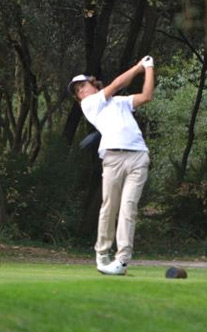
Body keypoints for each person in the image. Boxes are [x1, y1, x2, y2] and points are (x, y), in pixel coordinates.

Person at [67, 56, 155, 275]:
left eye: (83, 86)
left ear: (93, 84)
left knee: (129, 208)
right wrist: (138, 67)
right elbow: (116, 85)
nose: (81, 92)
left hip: (138, 157)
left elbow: (146, 96)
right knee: (110, 206)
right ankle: (102, 253)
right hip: (113, 158)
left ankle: (122, 260)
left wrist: (150, 67)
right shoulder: (89, 105)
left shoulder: (121, 102)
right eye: (78, 91)